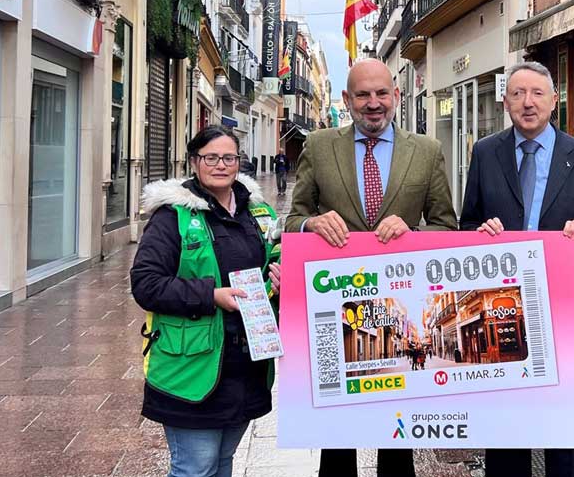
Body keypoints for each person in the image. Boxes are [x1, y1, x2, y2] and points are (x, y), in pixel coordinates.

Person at [284, 58, 457, 477]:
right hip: (333, 307)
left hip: (398, 306)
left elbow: (446, 227)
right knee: (336, 434)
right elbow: (292, 221)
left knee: (396, 434)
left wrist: (413, 234)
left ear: (396, 96)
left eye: (382, 93)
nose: (373, 103)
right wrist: (311, 223)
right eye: (363, 94)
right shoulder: (320, 146)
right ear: (347, 100)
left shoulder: (428, 151)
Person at [460, 61, 574, 477]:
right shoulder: (485, 153)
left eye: (537, 94)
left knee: (559, 412)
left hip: (560, 303)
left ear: (554, 100)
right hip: (499, 304)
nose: (527, 103)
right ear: (506, 100)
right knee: (506, 409)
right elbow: (465, 223)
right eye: (517, 94)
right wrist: (480, 233)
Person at [130, 125, 284, 477]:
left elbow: (269, 266)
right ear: (194, 162)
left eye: (228, 157)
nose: (220, 165)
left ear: (238, 162)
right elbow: (146, 284)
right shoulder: (173, 217)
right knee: (195, 467)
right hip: (192, 364)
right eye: (210, 157)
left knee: (223, 461)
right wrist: (211, 296)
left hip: (245, 362)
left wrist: (279, 278)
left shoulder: (256, 214)